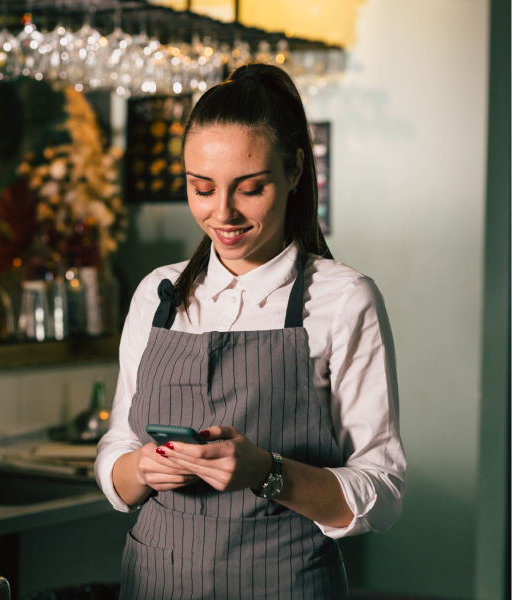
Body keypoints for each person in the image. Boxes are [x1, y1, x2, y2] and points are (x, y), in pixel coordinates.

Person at [95, 64, 406, 600]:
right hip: (154, 583)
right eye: (201, 188)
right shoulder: (158, 294)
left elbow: (382, 489)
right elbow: (118, 449)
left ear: (294, 173)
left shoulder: (343, 299)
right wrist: (140, 468)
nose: (223, 213)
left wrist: (267, 471)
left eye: (251, 188)